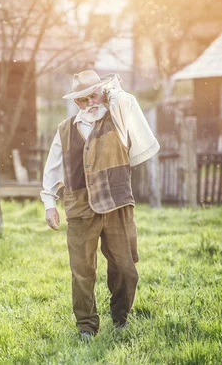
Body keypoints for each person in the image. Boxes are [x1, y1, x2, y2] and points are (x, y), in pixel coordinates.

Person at [41, 70, 159, 341]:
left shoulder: (118, 115)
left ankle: (121, 319)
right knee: (82, 270)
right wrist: (50, 204)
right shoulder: (65, 129)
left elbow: (125, 100)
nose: (88, 103)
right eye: (81, 100)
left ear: (102, 93)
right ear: (75, 103)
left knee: (125, 268)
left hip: (117, 204)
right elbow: (52, 169)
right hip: (80, 208)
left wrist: (106, 92)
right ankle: (86, 326)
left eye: (92, 96)